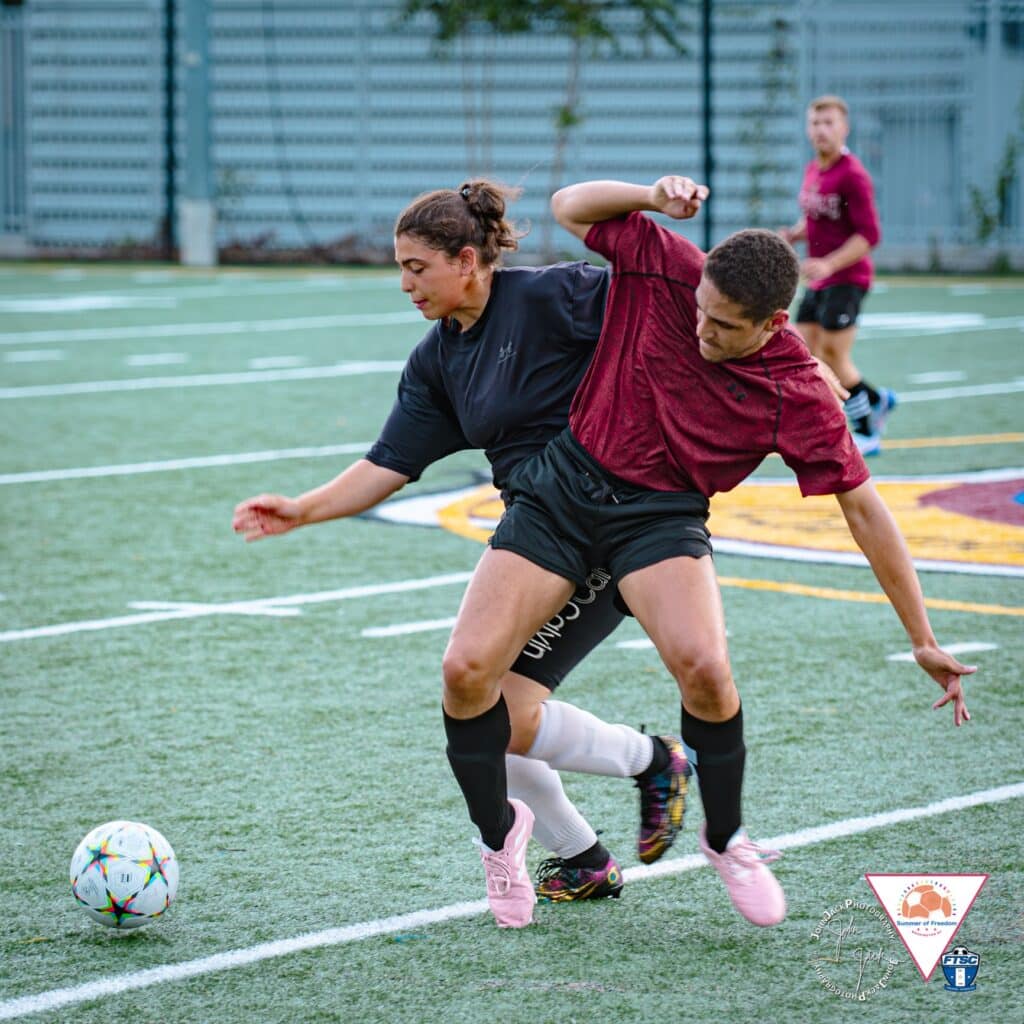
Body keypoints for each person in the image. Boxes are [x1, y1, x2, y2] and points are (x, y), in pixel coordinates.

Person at [440, 174, 975, 930]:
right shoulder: (666, 263)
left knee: (707, 669)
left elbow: (866, 510)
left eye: (724, 326)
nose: (702, 330)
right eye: (702, 310)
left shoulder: (796, 386)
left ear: (772, 323)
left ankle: (725, 840)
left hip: (660, 520)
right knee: (466, 674)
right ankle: (502, 842)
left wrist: (921, 636)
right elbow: (567, 206)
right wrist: (651, 198)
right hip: (562, 491)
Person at [233, 179, 692, 906]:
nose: (406, 285)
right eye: (400, 269)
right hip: (536, 535)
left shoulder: (553, 297)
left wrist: (787, 368)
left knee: (486, 700)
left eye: (417, 268)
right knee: (479, 700)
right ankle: (589, 850)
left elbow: (670, 312)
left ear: (469, 259)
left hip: (612, 526)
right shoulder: (438, 358)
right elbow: (389, 462)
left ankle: (649, 766)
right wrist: (303, 509)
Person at [779, 94, 895, 456]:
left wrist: (829, 263)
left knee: (833, 354)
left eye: (829, 123)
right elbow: (818, 215)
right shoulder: (814, 169)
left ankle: (867, 428)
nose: (821, 130)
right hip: (820, 278)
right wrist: (796, 234)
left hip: (848, 278)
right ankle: (877, 399)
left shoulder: (853, 175)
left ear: (844, 128)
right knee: (804, 348)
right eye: (815, 123)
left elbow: (869, 236)